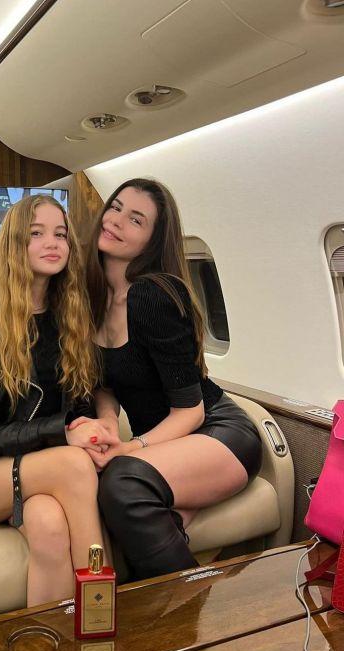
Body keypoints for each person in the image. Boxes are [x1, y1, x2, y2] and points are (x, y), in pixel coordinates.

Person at [71, 178, 262, 581]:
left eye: (135, 219)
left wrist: (129, 447)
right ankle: (174, 605)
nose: (116, 220)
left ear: (152, 242)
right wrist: (107, 421)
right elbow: (105, 383)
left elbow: (191, 411)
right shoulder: (92, 298)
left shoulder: (153, 295)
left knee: (122, 481)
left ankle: (186, 608)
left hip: (217, 433)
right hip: (171, 443)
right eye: (116, 207)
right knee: (117, 502)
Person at [0, 194, 117, 606]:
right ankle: (102, 609)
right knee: (74, 464)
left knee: (50, 527)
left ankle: (52, 641)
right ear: (14, 244)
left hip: (43, 467)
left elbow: (81, 404)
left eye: (61, 234)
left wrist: (92, 430)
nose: (52, 242)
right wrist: (63, 434)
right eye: (36, 234)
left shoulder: (73, 317)